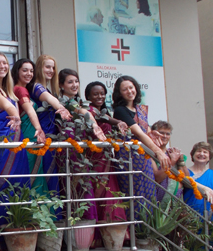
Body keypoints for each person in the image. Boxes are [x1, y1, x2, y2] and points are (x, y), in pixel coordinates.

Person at [0, 52, 29, 217]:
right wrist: (15, 114)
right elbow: (6, 106)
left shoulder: (8, 90)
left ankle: (17, 229)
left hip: (17, 141)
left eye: (5, 63)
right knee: (2, 183)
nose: (2, 66)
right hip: (2, 141)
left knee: (19, 184)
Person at [112, 76, 170, 209]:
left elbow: (146, 132)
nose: (129, 91)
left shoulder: (139, 109)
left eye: (131, 87)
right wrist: (158, 152)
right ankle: (137, 228)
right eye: (125, 89)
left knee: (149, 192)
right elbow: (138, 133)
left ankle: (147, 228)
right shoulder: (120, 110)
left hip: (144, 157)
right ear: (119, 93)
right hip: (130, 158)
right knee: (136, 194)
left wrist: (153, 134)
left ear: (136, 88)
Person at [57, 69, 106, 224]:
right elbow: (83, 113)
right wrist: (94, 125)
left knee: (82, 187)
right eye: (70, 82)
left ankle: (85, 231)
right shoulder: (61, 102)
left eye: (76, 81)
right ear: (61, 85)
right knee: (71, 186)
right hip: (67, 150)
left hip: (81, 151)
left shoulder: (79, 102)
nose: (74, 85)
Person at [84, 81, 127, 224]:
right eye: (95, 94)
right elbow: (99, 117)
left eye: (102, 94)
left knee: (109, 191)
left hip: (107, 158)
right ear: (88, 96)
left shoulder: (106, 112)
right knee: (98, 189)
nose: (99, 96)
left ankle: (110, 231)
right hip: (95, 157)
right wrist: (118, 121)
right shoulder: (89, 110)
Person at [30, 54, 69, 193]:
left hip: (51, 138)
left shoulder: (49, 90)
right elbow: (48, 99)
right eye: (47, 67)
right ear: (39, 67)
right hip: (42, 137)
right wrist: (61, 109)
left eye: (53, 67)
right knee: (45, 177)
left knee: (52, 177)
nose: (51, 70)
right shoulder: (36, 87)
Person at [11, 59, 48, 195]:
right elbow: (29, 111)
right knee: (32, 172)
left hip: (31, 136)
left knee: (35, 171)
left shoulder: (24, 90)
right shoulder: (19, 89)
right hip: (29, 135)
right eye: (25, 70)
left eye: (31, 71)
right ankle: (35, 211)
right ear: (17, 72)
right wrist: (39, 129)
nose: (29, 73)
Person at [149, 121, 188, 203]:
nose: (165, 136)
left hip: (176, 202)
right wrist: (172, 161)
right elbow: (157, 178)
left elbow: (186, 180)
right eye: (161, 133)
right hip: (158, 202)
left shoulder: (172, 152)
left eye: (168, 134)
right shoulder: (149, 153)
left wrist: (180, 160)